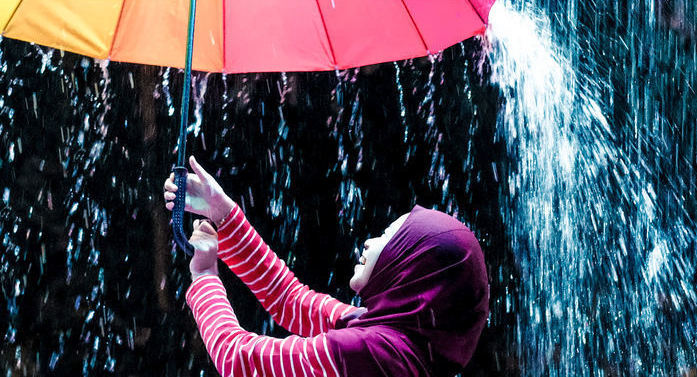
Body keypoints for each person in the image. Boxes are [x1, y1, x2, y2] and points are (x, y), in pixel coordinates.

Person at [163, 157, 489, 376]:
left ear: (410, 266)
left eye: (389, 236)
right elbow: (290, 301)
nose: (369, 242)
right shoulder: (398, 340)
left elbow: (237, 359)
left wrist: (204, 276)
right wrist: (224, 214)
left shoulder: (369, 351)